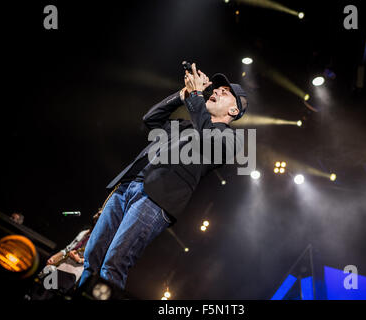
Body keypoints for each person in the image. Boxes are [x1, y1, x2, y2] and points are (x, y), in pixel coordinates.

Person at [79, 63, 248, 292]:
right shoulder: (185, 125)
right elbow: (150, 119)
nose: (216, 91)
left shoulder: (231, 139)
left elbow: (208, 138)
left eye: (224, 92)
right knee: (91, 256)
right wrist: (183, 95)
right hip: (127, 186)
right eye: (216, 89)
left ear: (234, 111)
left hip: (156, 198)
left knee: (114, 262)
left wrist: (198, 95)